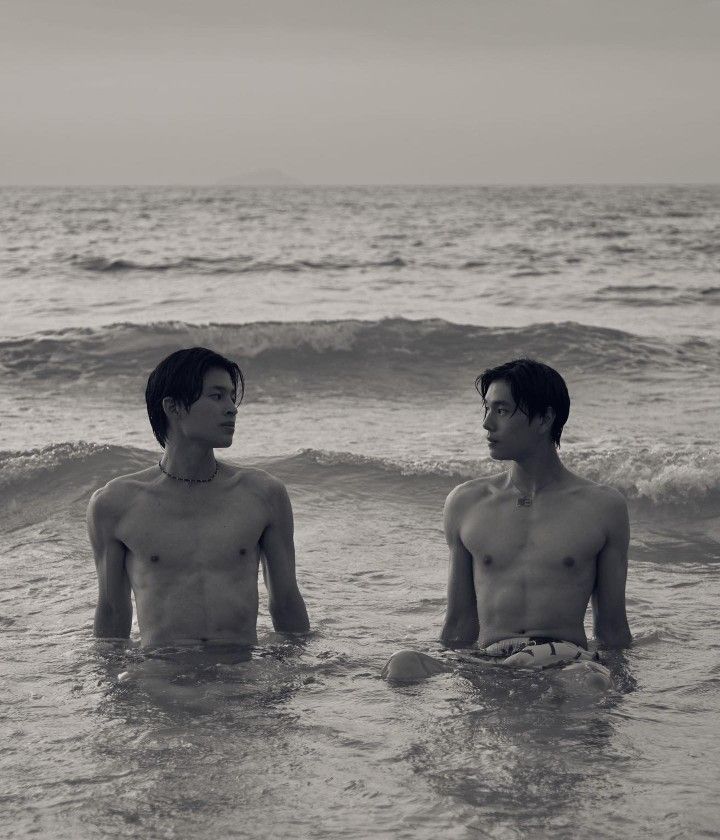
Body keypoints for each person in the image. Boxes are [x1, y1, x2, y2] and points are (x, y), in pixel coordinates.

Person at [383, 358, 631, 686]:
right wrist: (454, 689)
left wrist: (623, 685)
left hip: (565, 661)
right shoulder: (466, 502)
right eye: (485, 409)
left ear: (544, 418)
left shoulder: (602, 507)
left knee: (589, 681)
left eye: (501, 411)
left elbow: (612, 628)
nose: (487, 424)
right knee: (402, 665)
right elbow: (459, 623)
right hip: (490, 659)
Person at [88, 347, 309, 648]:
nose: (232, 408)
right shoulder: (114, 504)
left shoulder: (263, 494)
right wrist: (113, 688)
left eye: (232, 397)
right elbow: (113, 613)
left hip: (241, 677)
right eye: (217, 396)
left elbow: (285, 602)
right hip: (162, 679)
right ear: (173, 407)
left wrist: (300, 682)